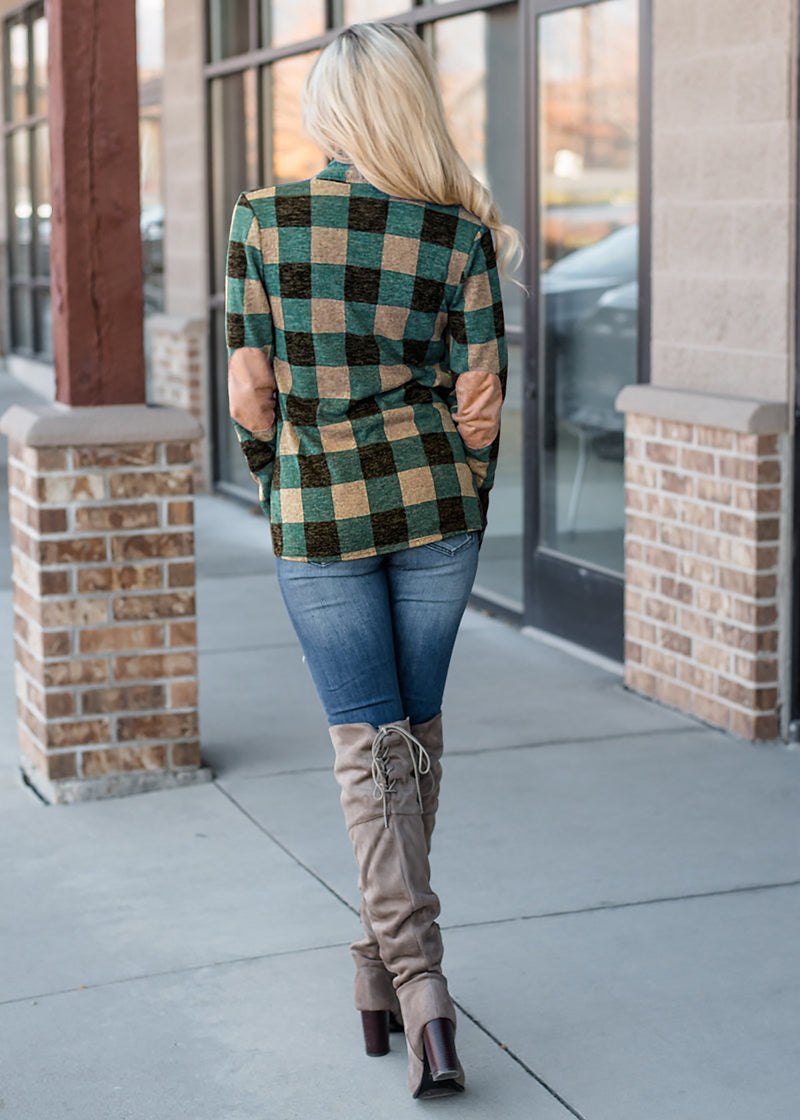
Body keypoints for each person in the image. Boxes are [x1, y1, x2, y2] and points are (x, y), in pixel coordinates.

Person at [224, 21, 520, 1100]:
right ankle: (382, 970)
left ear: (332, 112)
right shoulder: (456, 236)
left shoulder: (264, 220)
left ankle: (418, 980)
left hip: (321, 512)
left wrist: (283, 477)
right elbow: (480, 413)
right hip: (434, 506)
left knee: (371, 745)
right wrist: (461, 502)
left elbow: (250, 396)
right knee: (411, 745)